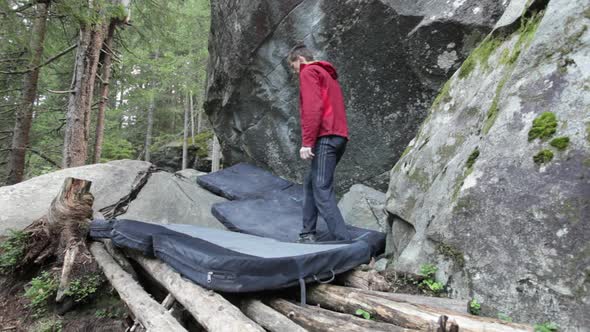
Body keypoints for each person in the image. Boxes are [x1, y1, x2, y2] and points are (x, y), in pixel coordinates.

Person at [288, 45, 352, 243]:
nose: (294, 71)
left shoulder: (308, 72)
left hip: (326, 137)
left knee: (322, 190)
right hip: (339, 137)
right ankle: (307, 233)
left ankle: (345, 243)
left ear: (300, 59)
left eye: (293, 66)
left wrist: (307, 142)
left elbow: (313, 108)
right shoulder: (327, 75)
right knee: (311, 184)